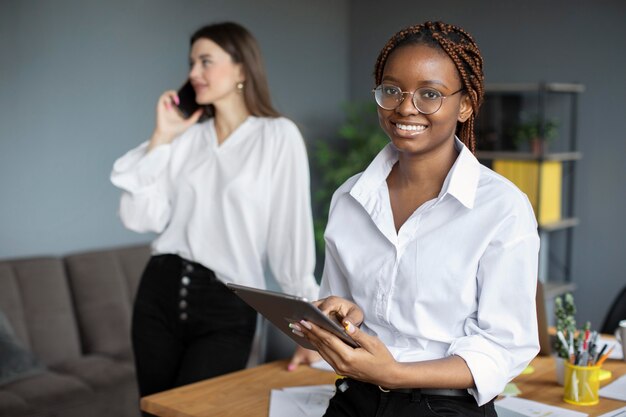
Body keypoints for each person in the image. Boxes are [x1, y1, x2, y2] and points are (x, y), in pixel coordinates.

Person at [289, 21, 540, 417]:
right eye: (392, 90)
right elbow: (345, 309)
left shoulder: (501, 208)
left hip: (445, 408)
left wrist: (396, 372)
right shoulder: (350, 198)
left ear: (467, 104)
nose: (406, 107)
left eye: (430, 94)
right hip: (354, 401)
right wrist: (343, 316)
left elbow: (503, 346)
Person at [110, 22, 319, 398]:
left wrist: (307, 329)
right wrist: (162, 137)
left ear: (241, 68)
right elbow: (140, 217)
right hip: (158, 292)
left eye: (206, 61)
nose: (193, 74)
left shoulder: (277, 136)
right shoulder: (186, 138)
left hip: (226, 306)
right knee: (154, 409)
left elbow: (291, 237)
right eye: (191, 63)